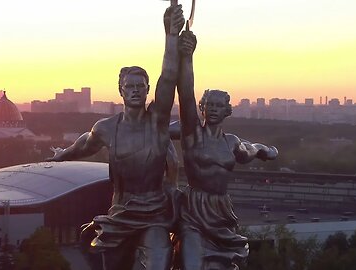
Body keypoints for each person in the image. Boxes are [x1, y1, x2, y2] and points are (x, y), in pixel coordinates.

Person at [47, 6, 185, 270]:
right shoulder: (106, 128)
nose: (135, 91)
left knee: (158, 262)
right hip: (120, 213)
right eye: (129, 87)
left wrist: (171, 36)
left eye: (140, 87)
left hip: (155, 213)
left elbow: (168, 77)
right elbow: (84, 145)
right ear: (120, 91)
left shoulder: (157, 121)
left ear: (147, 91)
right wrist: (62, 155)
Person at [175, 31, 278, 270]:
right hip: (193, 208)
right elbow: (186, 92)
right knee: (191, 264)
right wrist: (187, 57)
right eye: (209, 105)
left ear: (227, 111)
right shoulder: (191, 134)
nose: (213, 109)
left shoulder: (231, 142)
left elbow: (251, 150)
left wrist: (267, 151)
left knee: (222, 266)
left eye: (218, 106)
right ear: (201, 108)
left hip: (221, 210)